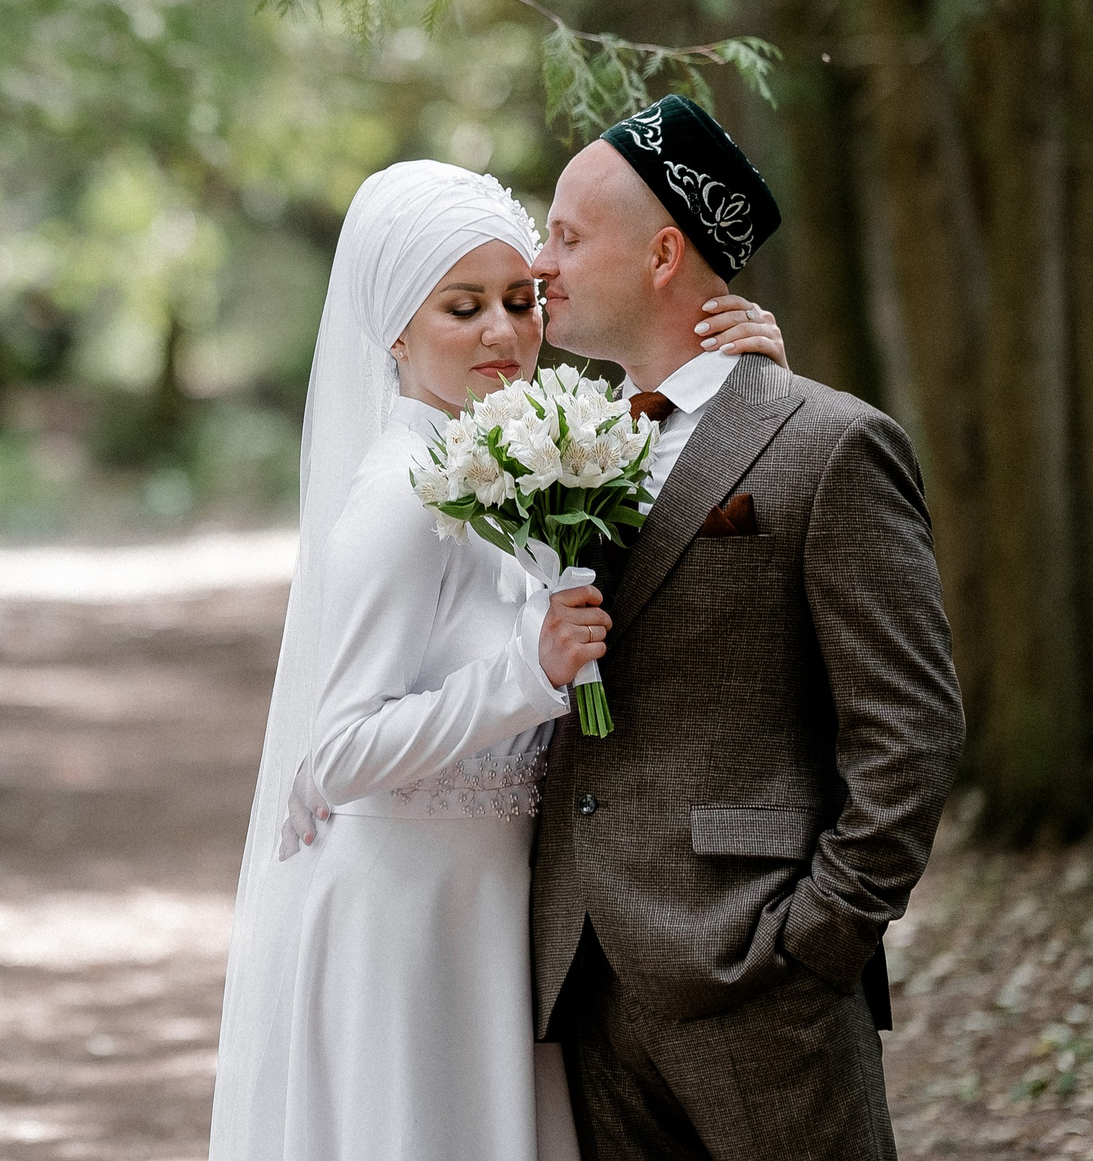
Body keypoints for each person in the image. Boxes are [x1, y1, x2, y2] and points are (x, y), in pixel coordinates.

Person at [210, 159, 786, 1161]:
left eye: (520, 300)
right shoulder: (399, 499)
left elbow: (707, 527)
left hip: (496, 913)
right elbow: (337, 751)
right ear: (395, 327)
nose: (502, 333)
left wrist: (753, 384)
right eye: (462, 308)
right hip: (407, 922)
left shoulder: (506, 465)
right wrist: (528, 672)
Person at [528, 94, 963, 1161]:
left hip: (760, 977)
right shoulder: (549, 445)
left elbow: (909, 731)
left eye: (568, 237)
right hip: (579, 983)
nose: (541, 263)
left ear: (665, 253)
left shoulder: (831, 445)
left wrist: (815, 941)